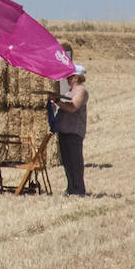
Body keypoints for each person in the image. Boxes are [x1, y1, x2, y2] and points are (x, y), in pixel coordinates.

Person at [54, 65, 89, 195]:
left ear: (76, 77)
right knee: (67, 162)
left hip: (74, 131)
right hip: (64, 130)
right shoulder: (70, 91)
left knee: (75, 161)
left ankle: (79, 189)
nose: (67, 79)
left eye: (69, 76)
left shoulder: (81, 91)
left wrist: (57, 100)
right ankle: (71, 188)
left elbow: (72, 108)